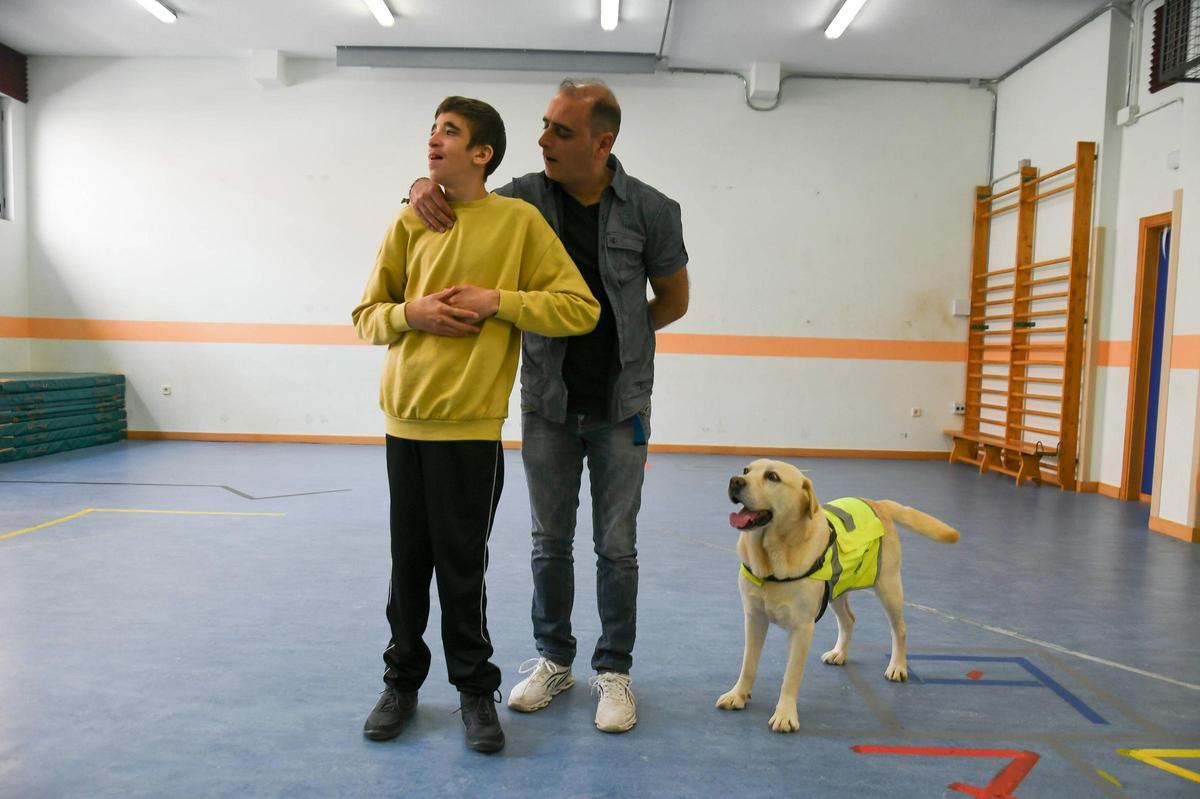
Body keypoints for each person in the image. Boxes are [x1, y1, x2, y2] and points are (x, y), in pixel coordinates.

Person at [407, 80, 689, 733]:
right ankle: (555, 659)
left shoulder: (652, 209)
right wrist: (419, 188)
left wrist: (624, 339)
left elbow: (673, 299)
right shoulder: (525, 198)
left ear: (603, 142)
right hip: (546, 400)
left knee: (616, 546)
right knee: (548, 540)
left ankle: (613, 672)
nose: (542, 140)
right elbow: (458, 196)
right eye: (544, 126)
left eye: (560, 131)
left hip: (622, 404)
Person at [353, 96, 600, 753]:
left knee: (462, 571)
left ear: (483, 152)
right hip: (404, 424)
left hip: (469, 431)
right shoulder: (408, 222)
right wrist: (412, 314)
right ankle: (400, 683)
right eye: (431, 128)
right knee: (408, 568)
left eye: (450, 131)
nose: (434, 139)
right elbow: (366, 315)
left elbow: (580, 307)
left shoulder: (516, 223)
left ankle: (473, 691)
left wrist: (500, 301)